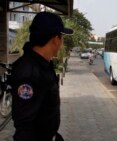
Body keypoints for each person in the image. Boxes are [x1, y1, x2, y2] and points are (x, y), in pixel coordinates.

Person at [9, 12, 73, 141]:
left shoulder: (42, 64)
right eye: (62, 37)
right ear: (56, 39)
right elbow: (24, 126)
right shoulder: (29, 72)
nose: (62, 42)